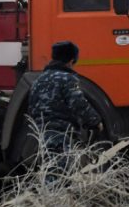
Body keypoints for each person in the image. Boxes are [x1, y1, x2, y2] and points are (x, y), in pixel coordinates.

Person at [27, 41, 102, 172]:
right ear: (71, 61)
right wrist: (95, 121)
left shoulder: (38, 80)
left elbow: (31, 108)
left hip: (41, 134)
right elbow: (78, 104)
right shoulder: (68, 79)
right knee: (59, 175)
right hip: (61, 134)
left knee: (49, 169)